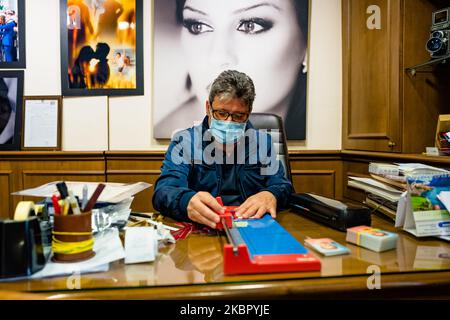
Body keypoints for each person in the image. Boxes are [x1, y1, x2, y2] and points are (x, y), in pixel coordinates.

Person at [152, 70, 294, 228]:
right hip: (202, 230)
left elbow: (284, 186)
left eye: (238, 116)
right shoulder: (184, 142)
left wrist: (272, 195)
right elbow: (163, 192)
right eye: (221, 113)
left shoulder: (262, 143)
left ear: (248, 115)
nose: (229, 122)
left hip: (253, 227)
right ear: (208, 108)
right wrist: (186, 201)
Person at [154, 0, 308, 140]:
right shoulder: (177, 141)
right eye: (198, 26)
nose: (217, 57)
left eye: (250, 25)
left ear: (307, 44)